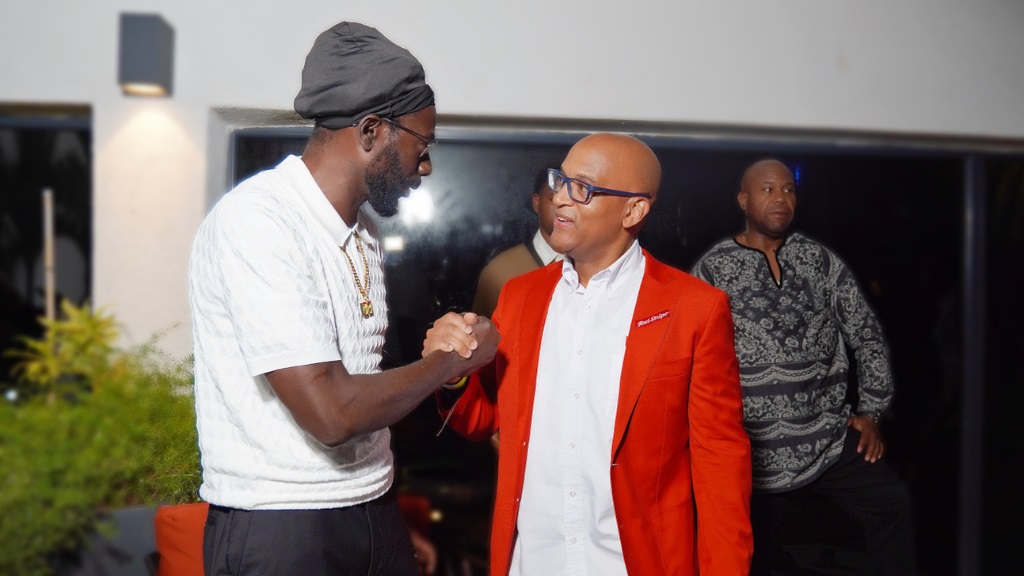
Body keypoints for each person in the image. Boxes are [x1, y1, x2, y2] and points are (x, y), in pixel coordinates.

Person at [188, 22, 497, 576]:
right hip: (284, 525)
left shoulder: (363, 232)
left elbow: (365, 387)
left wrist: (384, 530)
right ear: (372, 131)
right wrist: (452, 361)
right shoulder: (259, 221)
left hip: (368, 506)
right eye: (420, 147)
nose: (424, 167)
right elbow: (331, 414)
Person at [425, 133, 753, 575]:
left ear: (634, 210)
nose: (560, 198)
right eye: (560, 181)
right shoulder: (519, 298)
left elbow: (720, 465)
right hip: (532, 562)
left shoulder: (695, 308)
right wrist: (452, 373)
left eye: (583, 188)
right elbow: (484, 418)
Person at [691, 158, 917, 576]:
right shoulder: (712, 270)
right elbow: (688, 357)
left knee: (892, 504)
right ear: (743, 200)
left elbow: (865, 334)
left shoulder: (821, 261)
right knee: (744, 552)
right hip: (750, 451)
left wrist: (871, 412)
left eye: (788, 190)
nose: (781, 198)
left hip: (826, 439)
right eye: (767, 189)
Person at [471, 167, 562, 317]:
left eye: (571, 200)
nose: (563, 207)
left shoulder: (595, 268)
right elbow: (480, 336)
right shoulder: (500, 272)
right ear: (536, 202)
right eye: (553, 199)